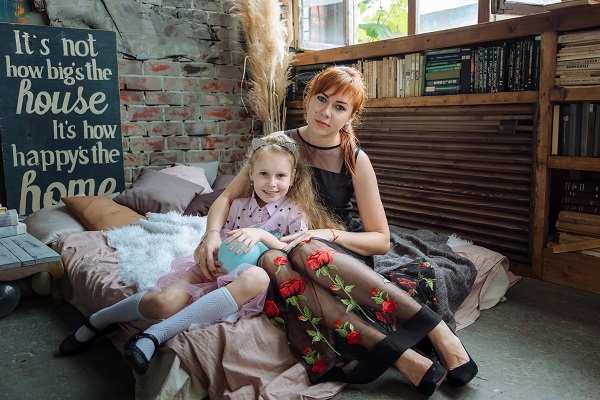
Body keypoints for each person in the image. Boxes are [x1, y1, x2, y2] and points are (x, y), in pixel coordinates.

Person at [194, 66, 478, 396]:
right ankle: (398, 356)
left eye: (339, 107)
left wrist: (326, 234)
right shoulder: (278, 144)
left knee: (307, 250)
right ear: (308, 99)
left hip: (337, 251)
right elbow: (227, 197)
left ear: (351, 116)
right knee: (272, 258)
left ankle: (436, 329)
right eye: (322, 99)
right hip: (284, 245)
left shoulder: (354, 158)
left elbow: (381, 240)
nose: (326, 112)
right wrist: (211, 234)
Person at [59, 133, 343, 376]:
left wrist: (260, 235)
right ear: (251, 175)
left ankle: (153, 335)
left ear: (293, 178)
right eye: (263, 174)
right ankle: (99, 320)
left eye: (280, 176)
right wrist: (207, 251)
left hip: (245, 279)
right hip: (216, 268)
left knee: (257, 276)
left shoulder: (294, 213)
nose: (272, 183)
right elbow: (219, 237)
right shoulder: (238, 205)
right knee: (164, 302)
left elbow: (291, 251)